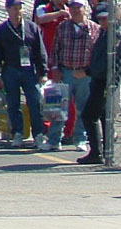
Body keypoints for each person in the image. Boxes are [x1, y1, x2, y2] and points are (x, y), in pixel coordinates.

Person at [0, 0, 48, 149]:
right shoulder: (1, 30)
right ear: (8, 10)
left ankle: (38, 134)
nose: (18, 12)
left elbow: (40, 51)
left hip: (29, 70)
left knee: (34, 102)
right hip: (11, 69)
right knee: (13, 103)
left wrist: (43, 72)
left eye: (20, 9)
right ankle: (17, 133)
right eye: (14, 9)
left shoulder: (32, 27)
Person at [44, 0, 100, 152]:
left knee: (83, 108)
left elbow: (97, 54)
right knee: (59, 108)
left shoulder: (94, 28)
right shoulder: (63, 27)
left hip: (84, 75)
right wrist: (55, 68)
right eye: (72, 8)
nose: (75, 11)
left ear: (85, 9)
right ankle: (54, 140)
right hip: (65, 72)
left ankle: (80, 139)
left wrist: (89, 72)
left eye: (78, 8)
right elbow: (55, 49)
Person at [77, 2, 121, 165]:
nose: (102, 22)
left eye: (105, 18)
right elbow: (97, 58)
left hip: (107, 81)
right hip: (99, 80)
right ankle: (104, 152)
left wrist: (88, 72)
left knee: (89, 115)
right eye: (100, 19)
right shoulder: (105, 33)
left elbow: (109, 63)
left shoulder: (117, 36)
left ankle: (98, 152)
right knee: (102, 115)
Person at [35, 0, 78, 145]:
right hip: (48, 60)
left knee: (69, 99)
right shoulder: (43, 8)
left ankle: (69, 132)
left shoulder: (70, 10)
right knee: (50, 98)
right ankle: (49, 131)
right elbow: (40, 19)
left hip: (65, 61)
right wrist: (59, 13)